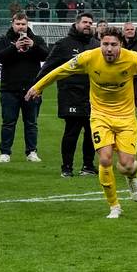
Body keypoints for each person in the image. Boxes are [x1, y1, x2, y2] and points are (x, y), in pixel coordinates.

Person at [27, 27, 137, 218]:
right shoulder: (89, 57)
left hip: (125, 119)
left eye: (113, 45)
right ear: (100, 43)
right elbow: (61, 71)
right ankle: (114, 206)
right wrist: (38, 86)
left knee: (127, 165)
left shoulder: (132, 58)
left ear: (121, 45)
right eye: (105, 44)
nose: (108, 49)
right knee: (105, 159)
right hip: (100, 116)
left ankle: (132, 177)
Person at [37, 12, 100, 178]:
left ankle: (88, 166)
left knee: (91, 131)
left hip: (93, 96)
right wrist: (37, 87)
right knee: (71, 131)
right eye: (85, 22)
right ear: (77, 24)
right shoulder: (63, 44)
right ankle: (67, 167)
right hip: (70, 94)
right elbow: (48, 67)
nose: (88, 25)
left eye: (90, 22)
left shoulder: (97, 44)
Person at [0, 12, 48, 163]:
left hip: (32, 89)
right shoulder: (5, 40)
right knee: (8, 123)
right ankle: (5, 153)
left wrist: (34, 46)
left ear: (27, 25)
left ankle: (31, 152)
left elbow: (47, 55)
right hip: (9, 89)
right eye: (18, 24)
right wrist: (14, 47)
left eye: (23, 24)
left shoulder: (36, 39)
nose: (20, 27)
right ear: (12, 24)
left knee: (31, 123)